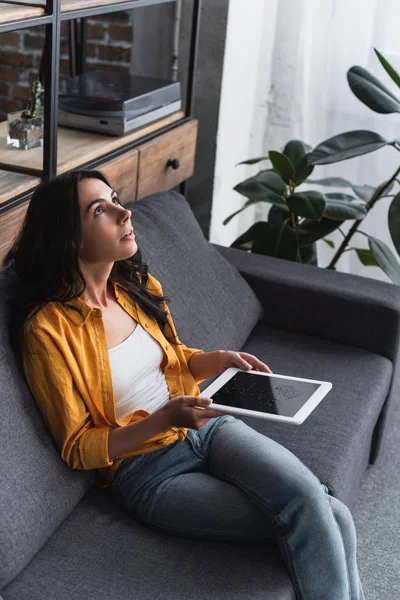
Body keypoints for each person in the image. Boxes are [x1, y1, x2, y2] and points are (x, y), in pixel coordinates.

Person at [5, 169, 365, 600]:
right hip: (148, 473)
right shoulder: (47, 329)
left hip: (208, 426)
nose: (124, 213)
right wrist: (164, 420)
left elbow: (170, 359)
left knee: (327, 507)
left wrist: (215, 360)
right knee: (316, 512)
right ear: (70, 238)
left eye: (116, 198)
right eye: (101, 210)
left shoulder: (135, 286)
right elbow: (78, 447)